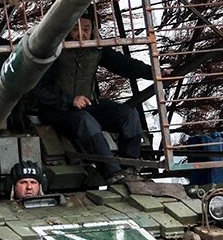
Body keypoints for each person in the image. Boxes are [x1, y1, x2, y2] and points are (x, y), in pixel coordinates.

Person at [31, 16, 154, 183]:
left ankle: (130, 167)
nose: (81, 34)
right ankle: (112, 173)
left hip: (87, 106)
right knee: (85, 121)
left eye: (86, 28)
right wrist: (69, 100)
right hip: (55, 111)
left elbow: (124, 64)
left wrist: (153, 72)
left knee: (128, 114)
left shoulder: (96, 49)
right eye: (75, 28)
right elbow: (39, 89)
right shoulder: (53, 52)